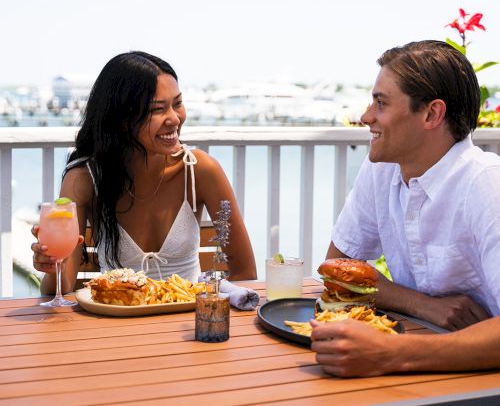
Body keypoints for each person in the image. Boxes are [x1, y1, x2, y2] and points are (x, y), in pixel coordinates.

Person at [312, 40, 500, 376]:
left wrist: (389, 354)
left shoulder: (486, 187)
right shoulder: (383, 168)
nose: (366, 116)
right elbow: (338, 268)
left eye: (381, 103)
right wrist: (423, 306)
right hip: (425, 370)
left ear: (431, 113)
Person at [32, 51, 257, 294]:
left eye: (178, 104)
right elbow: (59, 289)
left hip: (187, 324)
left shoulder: (200, 170)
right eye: (158, 109)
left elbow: (245, 273)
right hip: (117, 319)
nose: (174, 119)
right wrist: (53, 266)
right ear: (122, 118)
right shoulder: (84, 179)